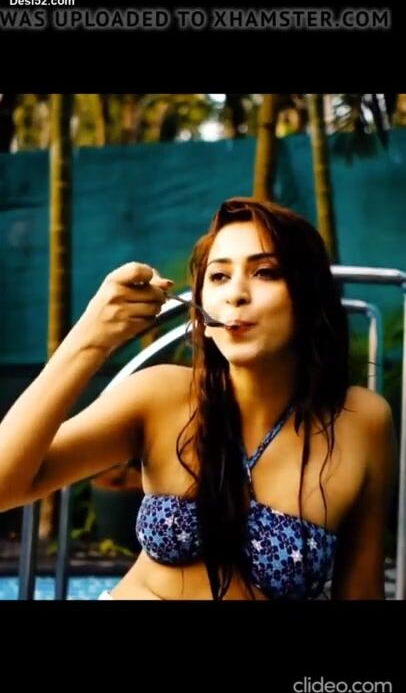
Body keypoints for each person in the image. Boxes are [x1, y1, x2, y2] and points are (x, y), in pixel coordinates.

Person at [0, 197, 397, 601]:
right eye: (219, 276)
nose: (235, 294)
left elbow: (362, 590)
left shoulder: (360, 422)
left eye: (265, 272)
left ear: (309, 296)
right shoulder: (160, 395)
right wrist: (88, 340)